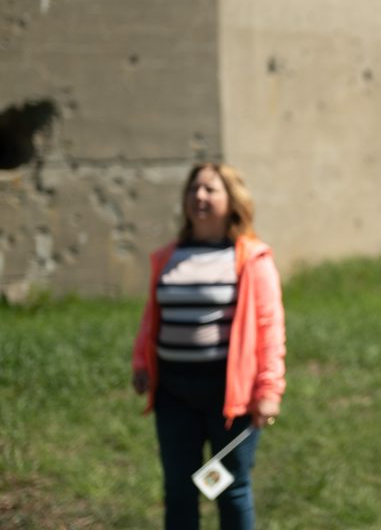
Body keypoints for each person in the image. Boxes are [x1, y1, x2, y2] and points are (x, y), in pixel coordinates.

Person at [132, 162, 286, 530]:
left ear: (232, 200)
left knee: (230, 489)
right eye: (193, 189)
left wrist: (269, 390)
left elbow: (269, 327)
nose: (198, 196)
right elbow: (153, 315)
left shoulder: (251, 258)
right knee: (178, 490)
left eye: (210, 190)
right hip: (172, 393)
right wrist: (141, 363)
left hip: (229, 397)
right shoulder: (168, 256)